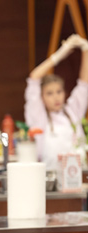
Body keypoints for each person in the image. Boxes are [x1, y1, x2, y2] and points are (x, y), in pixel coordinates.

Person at [25, 34, 88, 170]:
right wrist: (60, 53)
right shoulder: (38, 116)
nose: (56, 97)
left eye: (59, 92)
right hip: (50, 179)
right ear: (41, 97)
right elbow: (34, 77)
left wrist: (86, 48)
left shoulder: (73, 111)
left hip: (78, 175)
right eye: (49, 93)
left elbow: (84, 83)